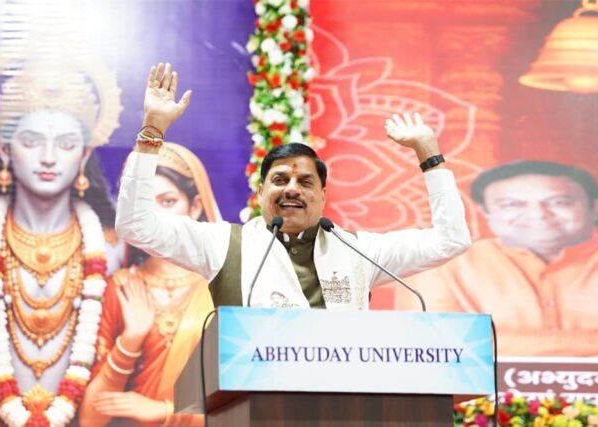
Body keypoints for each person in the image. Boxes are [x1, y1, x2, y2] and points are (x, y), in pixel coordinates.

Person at [116, 62, 471, 310]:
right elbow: (135, 225)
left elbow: (450, 240)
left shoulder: (359, 252)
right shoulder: (224, 245)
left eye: (305, 182)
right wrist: (152, 129)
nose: (292, 190)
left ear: (323, 196)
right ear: (260, 193)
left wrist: (429, 154)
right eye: (280, 180)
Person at [0, 61, 123, 426]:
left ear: (84, 154)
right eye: (31, 142)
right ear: (4, 149)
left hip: (76, 418)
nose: (48, 158)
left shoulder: (113, 246)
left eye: (66, 145)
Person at [395, 160, 598, 356]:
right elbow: (430, 343)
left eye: (559, 202)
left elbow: (461, 344)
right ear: (485, 212)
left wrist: (487, 342)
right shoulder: (439, 265)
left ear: (594, 208)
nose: (538, 215)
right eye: (511, 205)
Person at [79, 142, 217, 427]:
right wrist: (130, 340)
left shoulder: (222, 286)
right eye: (144, 205)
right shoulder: (121, 288)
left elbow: (246, 407)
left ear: (195, 207)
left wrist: (165, 412)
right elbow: (90, 418)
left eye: (168, 202)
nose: (154, 217)